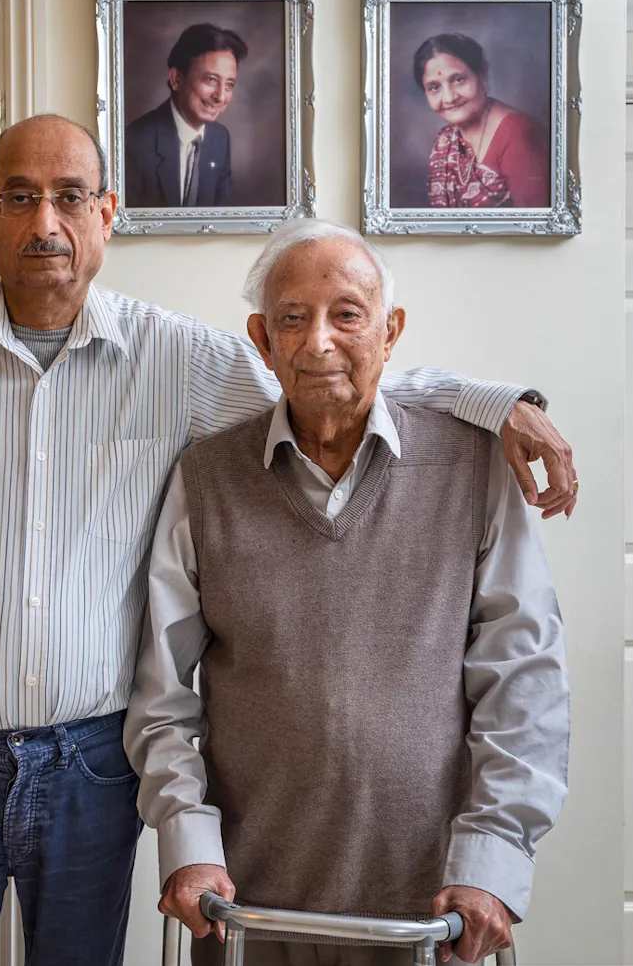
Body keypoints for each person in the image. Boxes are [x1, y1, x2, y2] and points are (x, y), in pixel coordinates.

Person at [0, 114, 578, 966]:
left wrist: (493, 403)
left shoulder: (177, 355)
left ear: (106, 213)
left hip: (92, 761)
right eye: (20, 197)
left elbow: (328, 382)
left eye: (70, 197)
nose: (46, 222)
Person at [127, 219, 569, 966]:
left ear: (390, 332)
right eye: (292, 319)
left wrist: (492, 859)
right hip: (244, 907)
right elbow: (162, 695)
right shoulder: (205, 477)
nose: (319, 342)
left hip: (433, 910)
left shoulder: (472, 467)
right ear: (262, 340)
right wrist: (187, 844)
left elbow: (525, 678)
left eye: (347, 314)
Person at [415, 32, 550, 209]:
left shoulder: (518, 134)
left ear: (482, 74)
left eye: (458, 79)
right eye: (434, 87)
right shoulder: (445, 139)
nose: (449, 98)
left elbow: (536, 223)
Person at [124, 23, 246, 208]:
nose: (221, 96)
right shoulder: (134, 143)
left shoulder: (220, 138)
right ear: (176, 79)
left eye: (229, 84)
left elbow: (222, 215)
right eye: (211, 80)